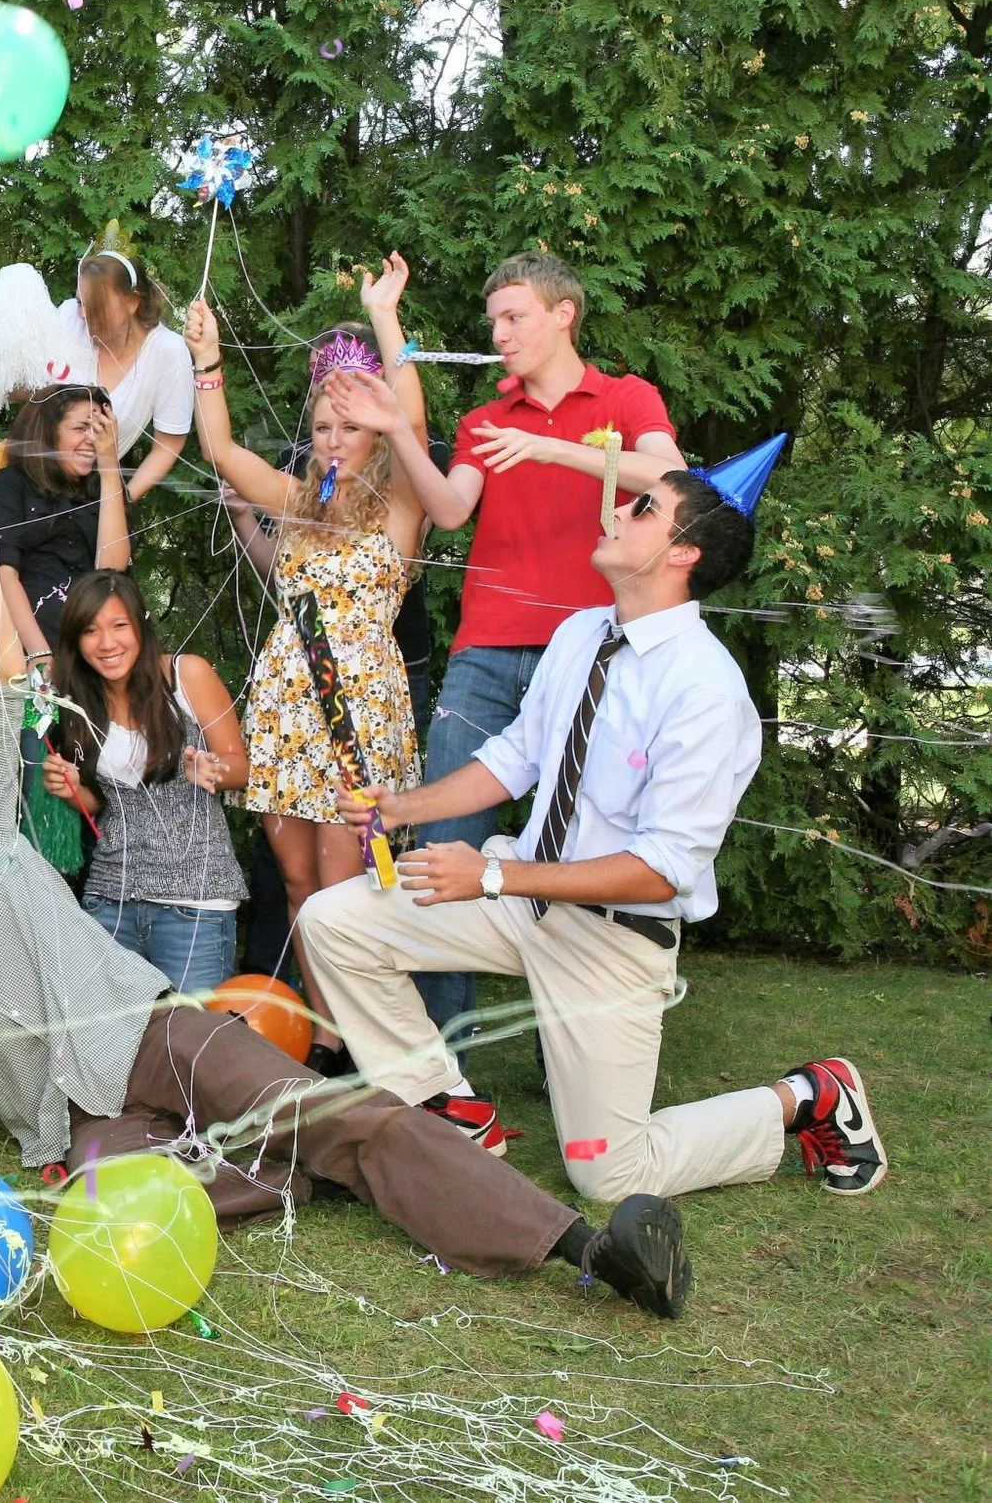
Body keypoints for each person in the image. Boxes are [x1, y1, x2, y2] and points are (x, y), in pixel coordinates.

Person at [0, 453, 695, 1322]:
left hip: (148, 1033)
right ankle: (294, 1164)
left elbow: (1, 675)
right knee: (97, 1209)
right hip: (70, 1123)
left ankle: (586, 1246)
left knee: (346, 1117)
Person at [300, 448, 885, 1206]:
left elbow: (661, 868)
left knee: (608, 1174)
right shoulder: (581, 634)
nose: (615, 510)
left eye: (642, 508)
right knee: (333, 921)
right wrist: (402, 806)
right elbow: (517, 758)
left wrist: (490, 874)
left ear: (684, 552)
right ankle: (449, 1111)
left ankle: (811, 1095)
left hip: (612, 938)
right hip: (519, 896)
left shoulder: (706, 690)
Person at [331, 252, 687, 1030]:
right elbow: (451, 509)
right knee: (444, 840)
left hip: (594, 656)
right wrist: (397, 418)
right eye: (493, 319)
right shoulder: (485, 420)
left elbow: (670, 483)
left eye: (515, 316)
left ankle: (572, 1043)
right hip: (487, 651)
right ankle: (442, 1067)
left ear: (565, 315)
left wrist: (557, 450)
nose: (500, 332)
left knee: (586, 842)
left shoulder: (627, 397)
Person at [183, 296, 424, 1044]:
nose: (333, 438)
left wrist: (386, 323)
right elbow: (221, 450)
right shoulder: (294, 502)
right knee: (295, 886)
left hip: (359, 716)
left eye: (350, 425)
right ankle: (324, 1041)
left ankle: (369, 1041)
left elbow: (413, 425)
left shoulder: (401, 505)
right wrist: (207, 359)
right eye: (323, 425)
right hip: (288, 712)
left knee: (342, 896)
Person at [42, 570, 249, 992]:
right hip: (108, 901)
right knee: (113, 1047)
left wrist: (211, 769)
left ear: (140, 624)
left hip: (194, 902)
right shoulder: (77, 700)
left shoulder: (185, 675)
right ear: (75, 642)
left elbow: (241, 767)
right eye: (91, 631)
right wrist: (72, 790)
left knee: (189, 1046)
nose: (107, 643)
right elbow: (103, 805)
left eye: (119, 625)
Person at [0, 220, 197, 488]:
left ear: (133, 302)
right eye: (81, 301)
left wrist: (120, 501)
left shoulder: (168, 352)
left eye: (96, 306)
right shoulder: (69, 315)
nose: (83, 314)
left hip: (94, 494)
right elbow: (21, 395)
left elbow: (168, 444)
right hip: (26, 480)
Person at [0, 383, 130, 660]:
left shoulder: (106, 488)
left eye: (100, 429)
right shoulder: (12, 484)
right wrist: (39, 654)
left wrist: (110, 472)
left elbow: (111, 571)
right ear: (48, 433)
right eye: (81, 428)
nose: (92, 439)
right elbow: (3, 573)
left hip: (100, 647)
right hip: (34, 642)